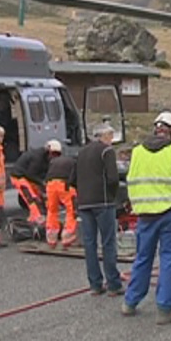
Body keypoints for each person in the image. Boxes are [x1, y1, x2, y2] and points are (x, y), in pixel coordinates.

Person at [122, 111, 171, 325]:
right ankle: (164, 308)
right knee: (169, 258)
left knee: (143, 257)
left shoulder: (137, 152)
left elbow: (130, 180)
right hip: (170, 213)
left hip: (144, 215)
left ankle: (130, 301)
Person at [70, 125, 124, 297]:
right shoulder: (106, 151)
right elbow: (113, 178)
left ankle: (95, 284)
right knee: (108, 242)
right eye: (110, 136)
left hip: (84, 204)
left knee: (90, 244)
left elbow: (72, 179)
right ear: (105, 136)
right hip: (103, 202)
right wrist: (114, 196)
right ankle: (113, 284)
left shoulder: (81, 153)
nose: (111, 140)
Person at [9, 140, 59, 225]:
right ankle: (38, 219)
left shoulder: (46, 159)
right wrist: (42, 183)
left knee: (39, 198)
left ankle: (33, 219)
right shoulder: (37, 158)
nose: (55, 157)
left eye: (57, 155)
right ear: (48, 152)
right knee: (31, 198)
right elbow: (31, 174)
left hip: (29, 177)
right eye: (53, 154)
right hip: (19, 176)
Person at [43, 141, 77, 249]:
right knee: (71, 210)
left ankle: (51, 237)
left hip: (50, 185)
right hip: (64, 184)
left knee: (52, 210)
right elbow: (75, 177)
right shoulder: (74, 162)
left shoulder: (54, 161)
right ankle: (67, 235)